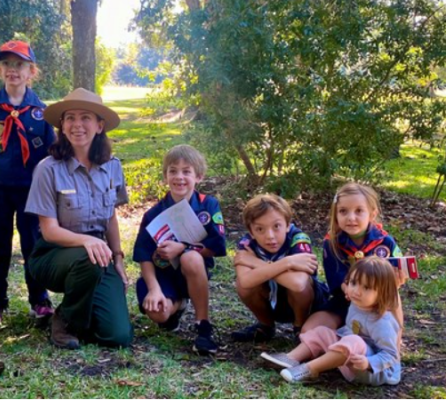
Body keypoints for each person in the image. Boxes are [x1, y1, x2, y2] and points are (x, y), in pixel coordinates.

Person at [26, 87, 132, 349]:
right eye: (69, 118)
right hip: (54, 254)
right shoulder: (47, 169)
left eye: (85, 117)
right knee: (90, 258)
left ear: (99, 125)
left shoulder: (113, 167)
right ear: (62, 125)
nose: (77, 125)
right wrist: (88, 242)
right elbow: (49, 231)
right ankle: (65, 319)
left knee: (117, 336)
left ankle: (84, 310)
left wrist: (117, 258)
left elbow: (110, 218)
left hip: (99, 254)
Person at [0, 40, 56, 328]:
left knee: (33, 246)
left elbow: (51, 158)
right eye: (6, 64)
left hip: (32, 193)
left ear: (31, 71)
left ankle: (39, 300)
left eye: (19, 65)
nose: (12, 70)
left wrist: (50, 195)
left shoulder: (42, 112)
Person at [133, 145, 227, 355]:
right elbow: (144, 256)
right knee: (157, 313)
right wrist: (154, 289)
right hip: (164, 274)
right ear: (165, 176)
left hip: (192, 273)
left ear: (199, 176)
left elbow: (218, 245)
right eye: (173, 171)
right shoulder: (153, 214)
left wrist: (183, 247)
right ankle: (177, 305)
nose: (179, 177)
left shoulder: (208, 205)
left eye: (187, 171)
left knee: (191, 258)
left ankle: (203, 326)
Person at [261, 257, 402, 385]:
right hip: (351, 358)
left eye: (366, 287)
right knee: (323, 331)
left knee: (353, 340)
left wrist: (369, 363)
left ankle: (310, 369)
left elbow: (391, 355)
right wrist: (331, 339)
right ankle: (290, 358)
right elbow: (351, 331)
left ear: (383, 293)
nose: (356, 291)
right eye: (353, 283)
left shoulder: (382, 322)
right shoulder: (357, 305)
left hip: (372, 372)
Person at [302, 182, 406, 334]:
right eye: (343, 211)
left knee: (393, 297)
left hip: (378, 302)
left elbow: (398, 271)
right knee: (308, 331)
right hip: (345, 300)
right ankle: (340, 342)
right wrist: (352, 292)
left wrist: (398, 280)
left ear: (372, 214)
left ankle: (394, 346)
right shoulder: (332, 243)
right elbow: (336, 279)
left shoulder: (384, 241)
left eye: (359, 211)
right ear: (336, 215)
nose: (351, 218)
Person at [232, 194, 329, 343]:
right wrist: (288, 264)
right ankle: (265, 326)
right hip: (270, 300)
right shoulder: (246, 244)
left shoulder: (298, 239)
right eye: (260, 229)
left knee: (301, 288)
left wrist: (259, 263)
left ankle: (299, 328)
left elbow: (298, 284)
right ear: (251, 231)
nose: (270, 236)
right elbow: (245, 281)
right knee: (243, 286)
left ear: (288, 224)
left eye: (276, 226)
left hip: (306, 305)